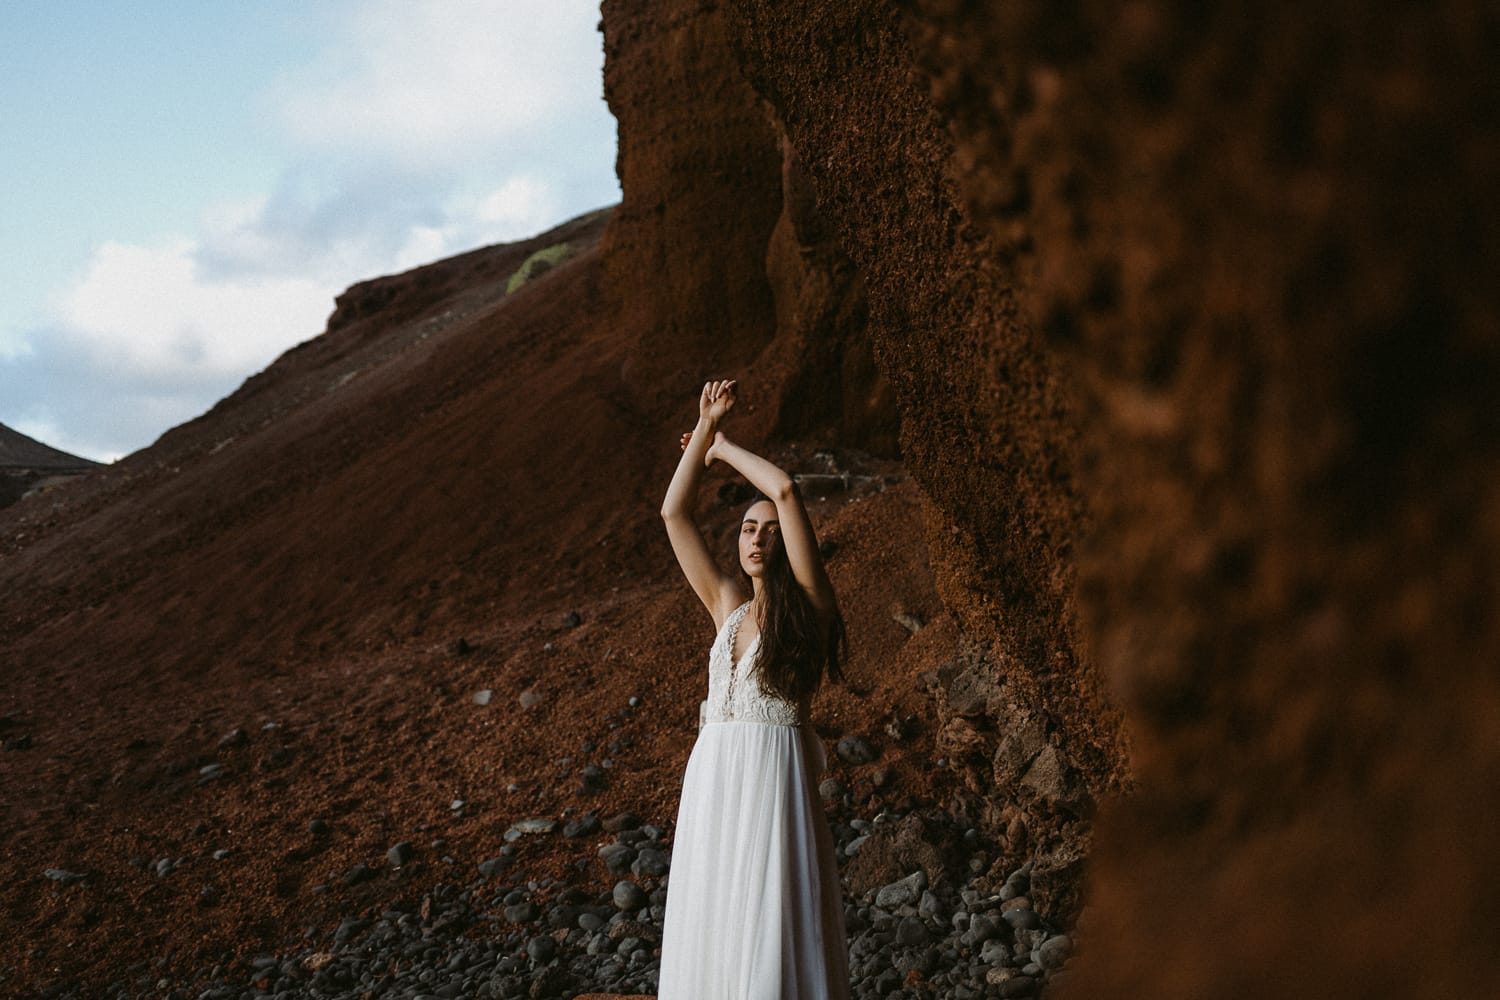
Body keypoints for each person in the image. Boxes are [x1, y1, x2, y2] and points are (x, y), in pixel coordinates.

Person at [656, 379, 850, 999]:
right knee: (714, 912)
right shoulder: (727, 607)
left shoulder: (812, 609)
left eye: (767, 530)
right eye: (746, 529)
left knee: (771, 917)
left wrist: (724, 445)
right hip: (713, 774)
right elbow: (673, 513)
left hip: (773, 777)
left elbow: (786, 490)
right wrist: (701, 437)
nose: (758, 537)